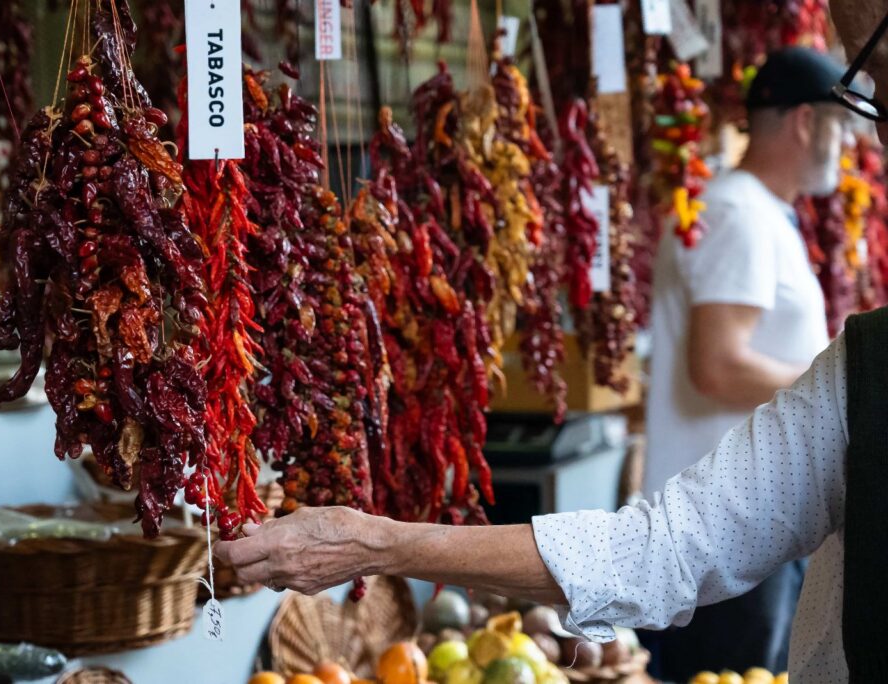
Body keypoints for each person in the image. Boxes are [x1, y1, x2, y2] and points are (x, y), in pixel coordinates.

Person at [217, 3, 888, 681]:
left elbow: (663, 551)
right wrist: (372, 541)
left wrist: (377, 542)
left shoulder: (842, 340)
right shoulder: (851, 361)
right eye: (868, 93)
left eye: (878, 81)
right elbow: (663, 547)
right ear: (804, 122)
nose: (873, 132)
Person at [640, 47, 849, 680]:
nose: (847, 144)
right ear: (806, 122)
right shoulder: (739, 215)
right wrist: (843, 390)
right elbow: (718, 366)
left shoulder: (760, 212)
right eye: (840, 125)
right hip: (723, 528)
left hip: (747, 522)